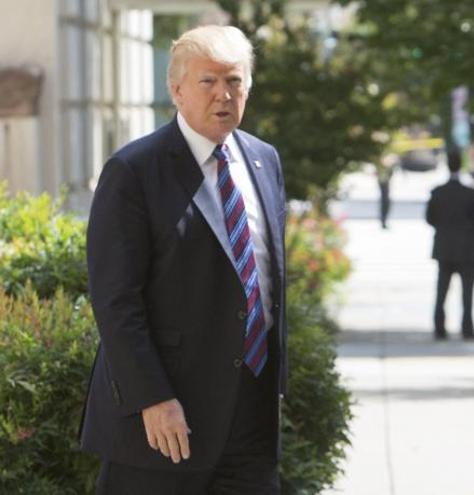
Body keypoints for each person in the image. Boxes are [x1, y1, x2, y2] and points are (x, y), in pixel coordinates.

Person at [79, 25, 288, 494]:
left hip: (251, 415)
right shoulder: (133, 172)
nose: (224, 95)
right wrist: (153, 398)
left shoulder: (264, 160)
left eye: (234, 81)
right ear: (176, 90)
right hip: (164, 422)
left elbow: (267, 278)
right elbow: (116, 301)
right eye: (208, 82)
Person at [426, 149, 474, 340]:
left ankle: (439, 328)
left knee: (442, 290)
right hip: (467, 248)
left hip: (444, 247)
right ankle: (467, 328)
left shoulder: (438, 192)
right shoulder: (469, 193)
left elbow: (430, 218)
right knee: (467, 293)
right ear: (461, 166)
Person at [377, 153, 396, 229]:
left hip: (385, 186)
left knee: (386, 203)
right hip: (384, 186)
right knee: (385, 203)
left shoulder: (388, 169)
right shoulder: (381, 169)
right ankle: (383, 221)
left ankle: (384, 221)